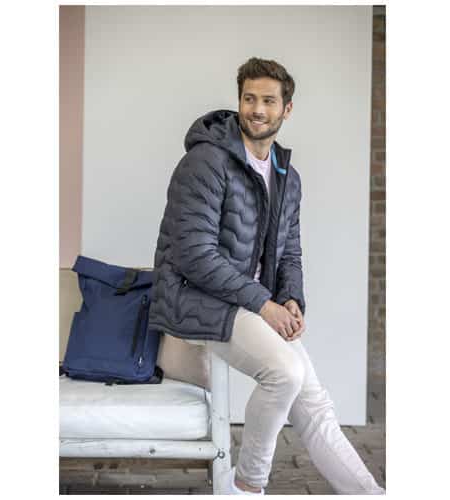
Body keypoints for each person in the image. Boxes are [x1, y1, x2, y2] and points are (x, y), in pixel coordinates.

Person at [149, 57, 385, 495]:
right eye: (249, 98)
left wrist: (290, 298)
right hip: (196, 297)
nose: (257, 109)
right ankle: (246, 486)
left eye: (268, 101)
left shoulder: (286, 176)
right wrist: (264, 303)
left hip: (249, 302)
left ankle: (370, 493)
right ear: (239, 100)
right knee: (286, 374)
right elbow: (193, 255)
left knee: (315, 406)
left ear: (286, 109)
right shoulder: (205, 162)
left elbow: (289, 251)